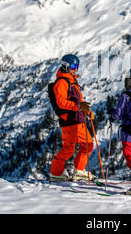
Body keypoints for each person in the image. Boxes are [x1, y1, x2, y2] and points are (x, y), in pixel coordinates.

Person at [49, 54, 96, 182]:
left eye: (77, 67)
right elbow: (61, 102)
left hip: (77, 119)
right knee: (70, 148)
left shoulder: (72, 81)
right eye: (73, 66)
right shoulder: (62, 82)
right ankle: (56, 173)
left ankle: (77, 171)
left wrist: (85, 111)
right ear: (65, 66)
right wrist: (79, 106)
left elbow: (77, 102)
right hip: (69, 121)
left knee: (87, 144)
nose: (75, 69)